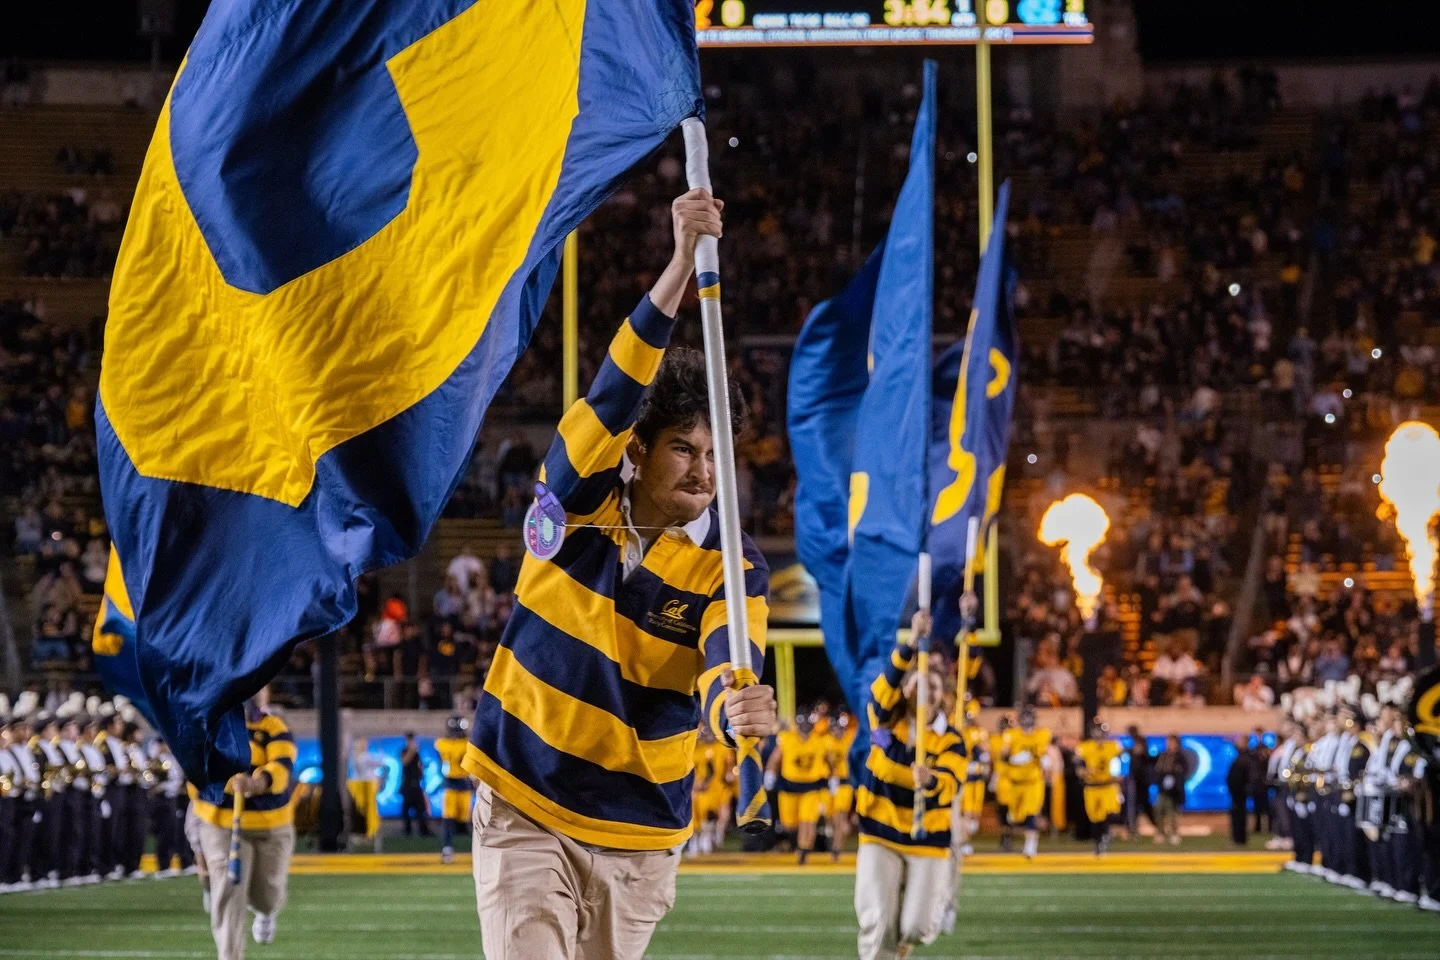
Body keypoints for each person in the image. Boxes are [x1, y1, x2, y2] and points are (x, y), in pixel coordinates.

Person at [463, 188, 778, 960]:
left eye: (716, 455)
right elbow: (612, 392)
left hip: (638, 835)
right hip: (524, 802)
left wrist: (736, 707)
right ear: (638, 452)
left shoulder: (735, 567)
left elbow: (728, 655)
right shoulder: (576, 501)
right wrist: (677, 267)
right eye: (684, 449)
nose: (705, 471)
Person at [853, 610, 967, 960]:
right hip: (880, 830)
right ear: (907, 687)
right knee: (878, 922)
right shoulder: (887, 719)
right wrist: (911, 641)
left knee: (917, 926)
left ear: (941, 694)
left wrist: (930, 779)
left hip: (926, 839)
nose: (924, 690)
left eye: (932, 685)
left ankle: (911, 938)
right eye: (917, 682)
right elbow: (882, 690)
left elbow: (951, 783)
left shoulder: (951, 739)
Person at [189, 690, 296, 959]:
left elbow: (282, 766)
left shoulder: (272, 727)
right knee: (228, 891)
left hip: (270, 824)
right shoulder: (205, 725)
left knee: (267, 895)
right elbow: (195, 770)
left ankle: (265, 911)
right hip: (221, 823)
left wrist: (258, 783)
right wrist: (226, 783)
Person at [767, 711, 829, 864]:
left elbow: (829, 761)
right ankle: (796, 844)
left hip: (811, 785)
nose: (806, 726)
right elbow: (775, 759)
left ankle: (804, 850)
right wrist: (770, 774)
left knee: (808, 820)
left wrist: (832, 778)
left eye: (808, 723)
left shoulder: (819, 741)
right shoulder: (787, 738)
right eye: (803, 723)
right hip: (789, 785)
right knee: (789, 824)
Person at [997, 705, 1051, 859]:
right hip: (1015, 782)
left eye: (1029, 717)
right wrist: (1014, 758)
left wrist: (1046, 765)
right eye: (1025, 717)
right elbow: (1003, 755)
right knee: (1014, 817)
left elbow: (1045, 754)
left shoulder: (1042, 735)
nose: (1027, 721)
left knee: (1031, 814)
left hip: (1033, 782)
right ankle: (1020, 837)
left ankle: (1030, 846)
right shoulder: (1011, 735)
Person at [1075, 720, 1123, 856]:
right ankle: (1098, 841)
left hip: (1108, 785)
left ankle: (1105, 835)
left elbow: (1122, 760)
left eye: (1100, 731)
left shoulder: (1113, 746)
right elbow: (1078, 766)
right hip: (1092, 786)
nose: (1098, 734)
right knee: (1095, 816)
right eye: (1096, 731)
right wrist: (1083, 772)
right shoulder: (1085, 747)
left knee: (1110, 813)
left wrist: (1119, 773)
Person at [688, 724, 734, 857]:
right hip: (698, 787)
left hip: (717, 786)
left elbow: (729, 766)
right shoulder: (695, 749)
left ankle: (713, 836)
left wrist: (729, 774)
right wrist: (695, 784)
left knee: (717, 813)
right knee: (695, 815)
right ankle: (695, 840)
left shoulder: (722, 748)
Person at [434, 716, 472, 864]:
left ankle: (449, 849)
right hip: (455, 782)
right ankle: (448, 849)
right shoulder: (464, 743)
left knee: (464, 819)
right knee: (451, 819)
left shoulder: (441, 743)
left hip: (458, 783)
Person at [823, 710, 856, 863]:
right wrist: (829, 776)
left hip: (845, 784)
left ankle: (836, 850)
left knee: (840, 818)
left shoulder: (850, 739)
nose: (838, 731)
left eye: (840, 728)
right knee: (830, 818)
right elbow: (822, 760)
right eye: (835, 728)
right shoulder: (825, 741)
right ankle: (833, 841)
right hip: (830, 784)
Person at [1153, 735, 1191, 845]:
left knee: (1172, 812)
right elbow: (1158, 770)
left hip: (1174, 791)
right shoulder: (1163, 755)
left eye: (1172, 742)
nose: (1169, 744)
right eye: (1168, 742)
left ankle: (1174, 833)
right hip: (1162, 789)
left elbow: (1184, 772)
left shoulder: (1180, 756)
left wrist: (1176, 779)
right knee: (1159, 809)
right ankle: (1160, 832)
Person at [1226, 736, 1261, 846]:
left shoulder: (1248, 757)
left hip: (1240, 791)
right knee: (1236, 814)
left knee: (1240, 815)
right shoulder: (1242, 756)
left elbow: (1250, 775)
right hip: (1236, 792)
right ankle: (1237, 837)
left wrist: (1247, 788)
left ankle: (1240, 838)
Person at [398, 732, 430, 838]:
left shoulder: (417, 753)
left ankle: (423, 830)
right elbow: (404, 762)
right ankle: (407, 830)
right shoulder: (405, 751)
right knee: (406, 809)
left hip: (417, 784)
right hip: (407, 784)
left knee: (421, 809)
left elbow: (419, 766)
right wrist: (412, 750)